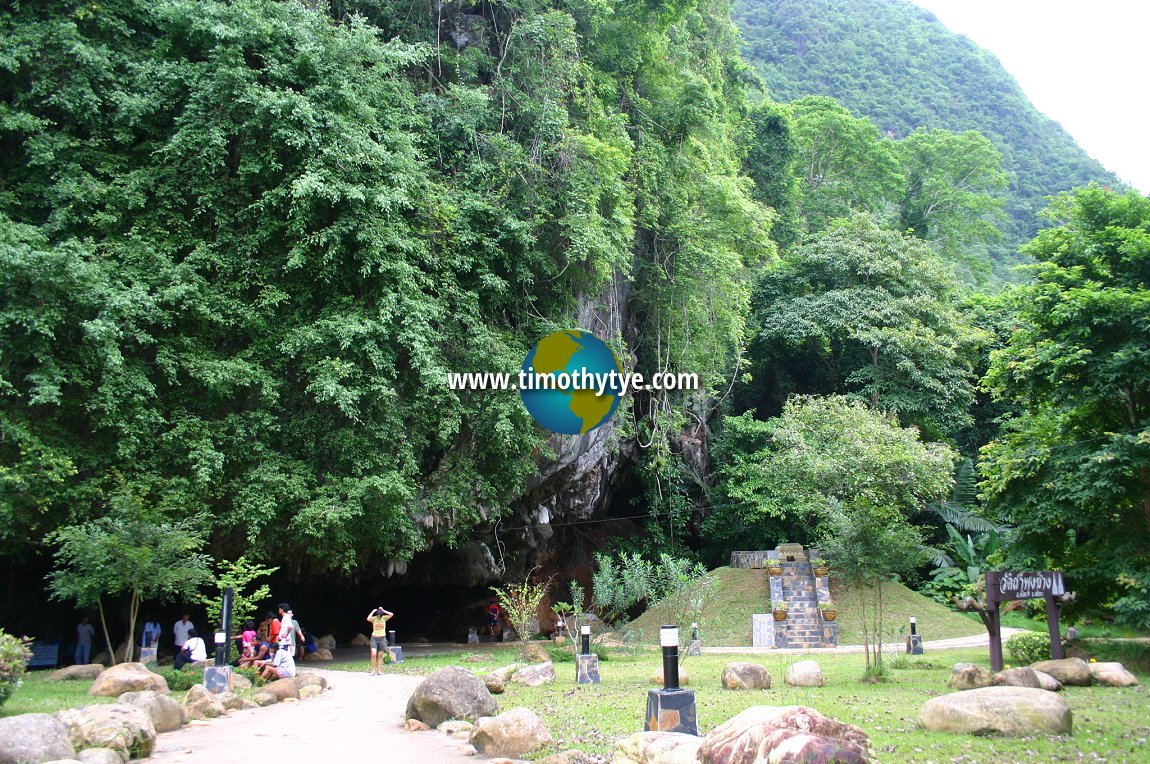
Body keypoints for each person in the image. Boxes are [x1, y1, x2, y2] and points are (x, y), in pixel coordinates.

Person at [366, 606, 394, 676]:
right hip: (374, 638)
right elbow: (368, 619)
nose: (379, 617)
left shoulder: (384, 618)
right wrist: (373, 611)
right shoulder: (374, 619)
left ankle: (379, 671)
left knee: (380, 655)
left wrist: (383, 610)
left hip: (382, 639)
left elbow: (391, 614)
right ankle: (373, 670)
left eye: (380, 616)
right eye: (378, 616)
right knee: (373, 654)